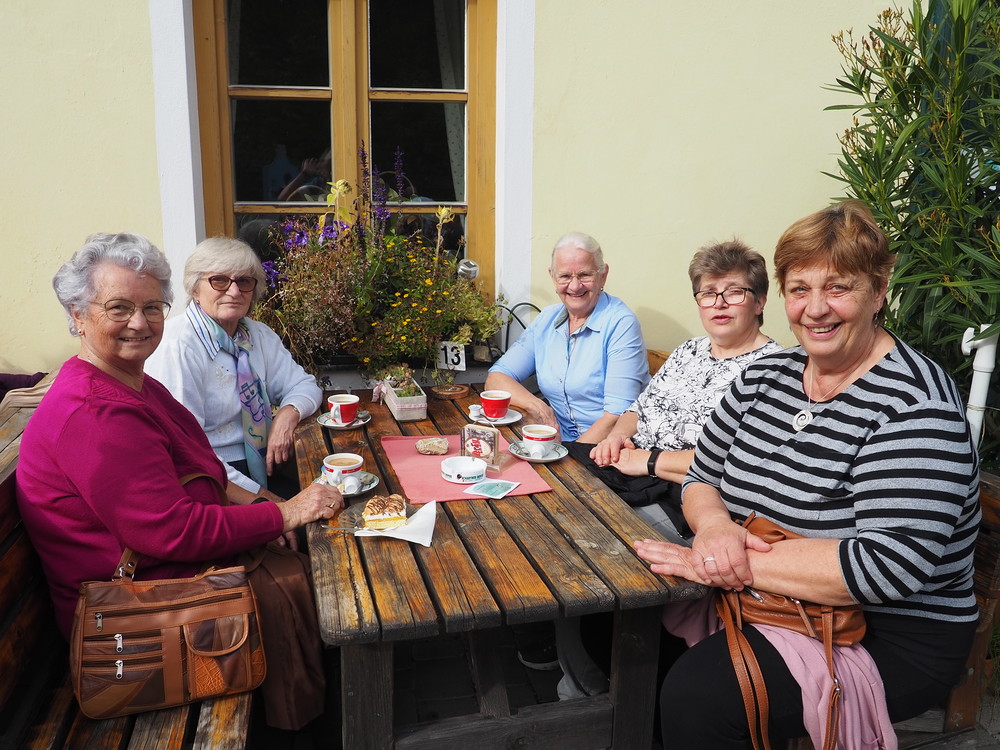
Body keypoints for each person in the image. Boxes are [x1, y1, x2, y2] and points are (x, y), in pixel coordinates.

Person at [636, 201, 980, 747]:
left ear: (879, 290)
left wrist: (723, 563)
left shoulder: (915, 405)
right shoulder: (765, 376)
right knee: (623, 632)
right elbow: (702, 476)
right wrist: (715, 529)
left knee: (698, 697)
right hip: (770, 596)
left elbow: (886, 567)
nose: (816, 309)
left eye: (838, 287)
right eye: (799, 289)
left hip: (884, 631)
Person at [15, 233, 344, 731]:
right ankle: (310, 724)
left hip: (171, 572)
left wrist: (266, 505)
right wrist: (284, 513)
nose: (140, 323)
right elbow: (174, 532)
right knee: (305, 578)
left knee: (316, 562)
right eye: (119, 307)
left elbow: (204, 469)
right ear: (77, 315)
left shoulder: (134, 384)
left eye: (152, 307)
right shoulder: (94, 413)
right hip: (137, 617)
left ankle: (317, 708)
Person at [580, 240, 783, 540]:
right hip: (627, 469)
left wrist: (649, 461)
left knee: (587, 523)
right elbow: (639, 409)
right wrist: (617, 437)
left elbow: (738, 461)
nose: (719, 303)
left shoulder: (773, 370)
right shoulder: (689, 350)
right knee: (553, 479)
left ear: (760, 302)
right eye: (708, 293)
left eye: (734, 292)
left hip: (683, 499)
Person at [146, 237, 323, 516]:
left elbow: (305, 386)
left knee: (334, 502)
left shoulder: (256, 334)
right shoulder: (177, 345)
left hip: (265, 463)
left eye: (244, 281)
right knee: (309, 526)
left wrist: (288, 414)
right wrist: (264, 501)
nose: (234, 291)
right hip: (213, 480)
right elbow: (187, 450)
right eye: (219, 280)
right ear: (194, 288)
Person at [485, 231, 649, 443]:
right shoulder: (547, 320)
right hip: (558, 442)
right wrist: (537, 406)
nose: (574, 286)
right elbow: (496, 378)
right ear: (553, 277)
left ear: (603, 275)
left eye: (584, 275)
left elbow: (616, 417)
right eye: (565, 276)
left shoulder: (621, 323)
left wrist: (568, 456)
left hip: (608, 448)